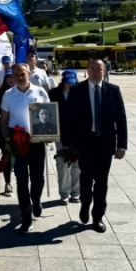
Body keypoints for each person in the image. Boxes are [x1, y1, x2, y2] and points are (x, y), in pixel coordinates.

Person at [64, 58, 128, 233]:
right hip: (85, 143)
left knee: (102, 181)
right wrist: (68, 144)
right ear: (87, 70)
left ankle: (97, 216)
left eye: (99, 69)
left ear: (104, 71)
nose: (95, 72)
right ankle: (85, 204)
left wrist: (122, 145)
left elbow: (121, 118)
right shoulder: (77, 90)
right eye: (92, 68)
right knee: (85, 179)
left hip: (105, 143)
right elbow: (68, 118)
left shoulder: (113, 91)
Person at [0, 63, 50, 234]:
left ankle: (36, 199)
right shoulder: (8, 95)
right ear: (12, 76)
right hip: (18, 142)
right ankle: (26, 216)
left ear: (29, 73)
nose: (19, 77)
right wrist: (7, 140)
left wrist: (49, 134)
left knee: (38, 178)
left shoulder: (40, 92)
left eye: (22, 74)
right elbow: (3, 120)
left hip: (37, 141)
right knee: (21, 179)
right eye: (16, 74)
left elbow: (49, 114)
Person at [49, 69, 80, 205]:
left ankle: (76, 192)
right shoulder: (54, 93)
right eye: (68, 82)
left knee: (77, 164)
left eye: (72, 82)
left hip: (78, 134)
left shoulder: (81, 92)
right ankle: (64, 193)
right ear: (63, 81)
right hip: (61, 134)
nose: (70, 85)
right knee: (62, 164)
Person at [0, 68, 15, 196]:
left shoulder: (21, 91)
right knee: (7, 156)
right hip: (3, 130)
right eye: (8, 77)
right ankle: (8, 182)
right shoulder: (0, 93)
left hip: (19, 130)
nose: (11, 80)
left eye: (13, 77)